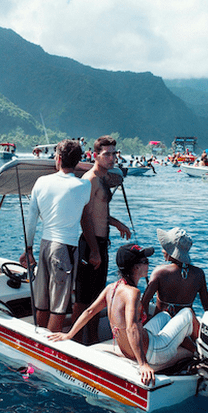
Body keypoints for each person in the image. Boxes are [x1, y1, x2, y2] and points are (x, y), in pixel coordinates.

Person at [49, 244, 198, 386]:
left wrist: (68, 334)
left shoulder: (111, 288)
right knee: (187, 313)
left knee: (165, 316)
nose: (148, 264)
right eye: (145, 261)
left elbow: (89, 311)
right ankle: (202, 354)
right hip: (153, 352)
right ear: (136, 267)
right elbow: (132, 328)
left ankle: (187, 347)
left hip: (128, 351)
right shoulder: (133, 293)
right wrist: (143, 364)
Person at [19, 139, 91, 332]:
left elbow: (31, 219)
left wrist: (28, 250)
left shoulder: (41, 182)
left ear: (57, 158)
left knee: (42, 303)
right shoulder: (84, 186)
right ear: (77, 161)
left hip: (44, 245)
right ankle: (49, 347)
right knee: (58, 306)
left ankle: (38, 341)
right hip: (64, 248)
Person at [72, 135, 131, 344]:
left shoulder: (104, 178)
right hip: (91, 244)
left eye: (114, 154)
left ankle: (93, 339)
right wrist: (94, 250)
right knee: (82, 298)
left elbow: (100, 212)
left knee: (98, 297)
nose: (112, 158)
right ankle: (75, 342)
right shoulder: (90, 179)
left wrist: (117, 224)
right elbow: (84, 215)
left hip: (101, 243)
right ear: (95, 155)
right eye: (107, 154)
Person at [141, 228, 208, 319]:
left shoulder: (160, 272)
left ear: (171, 251)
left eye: (165, 247)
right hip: (187, 322)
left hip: (162, 321)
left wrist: (147, 320)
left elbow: (144, 302)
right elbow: (207, 308)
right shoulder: (199, 274)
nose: (163, 250)